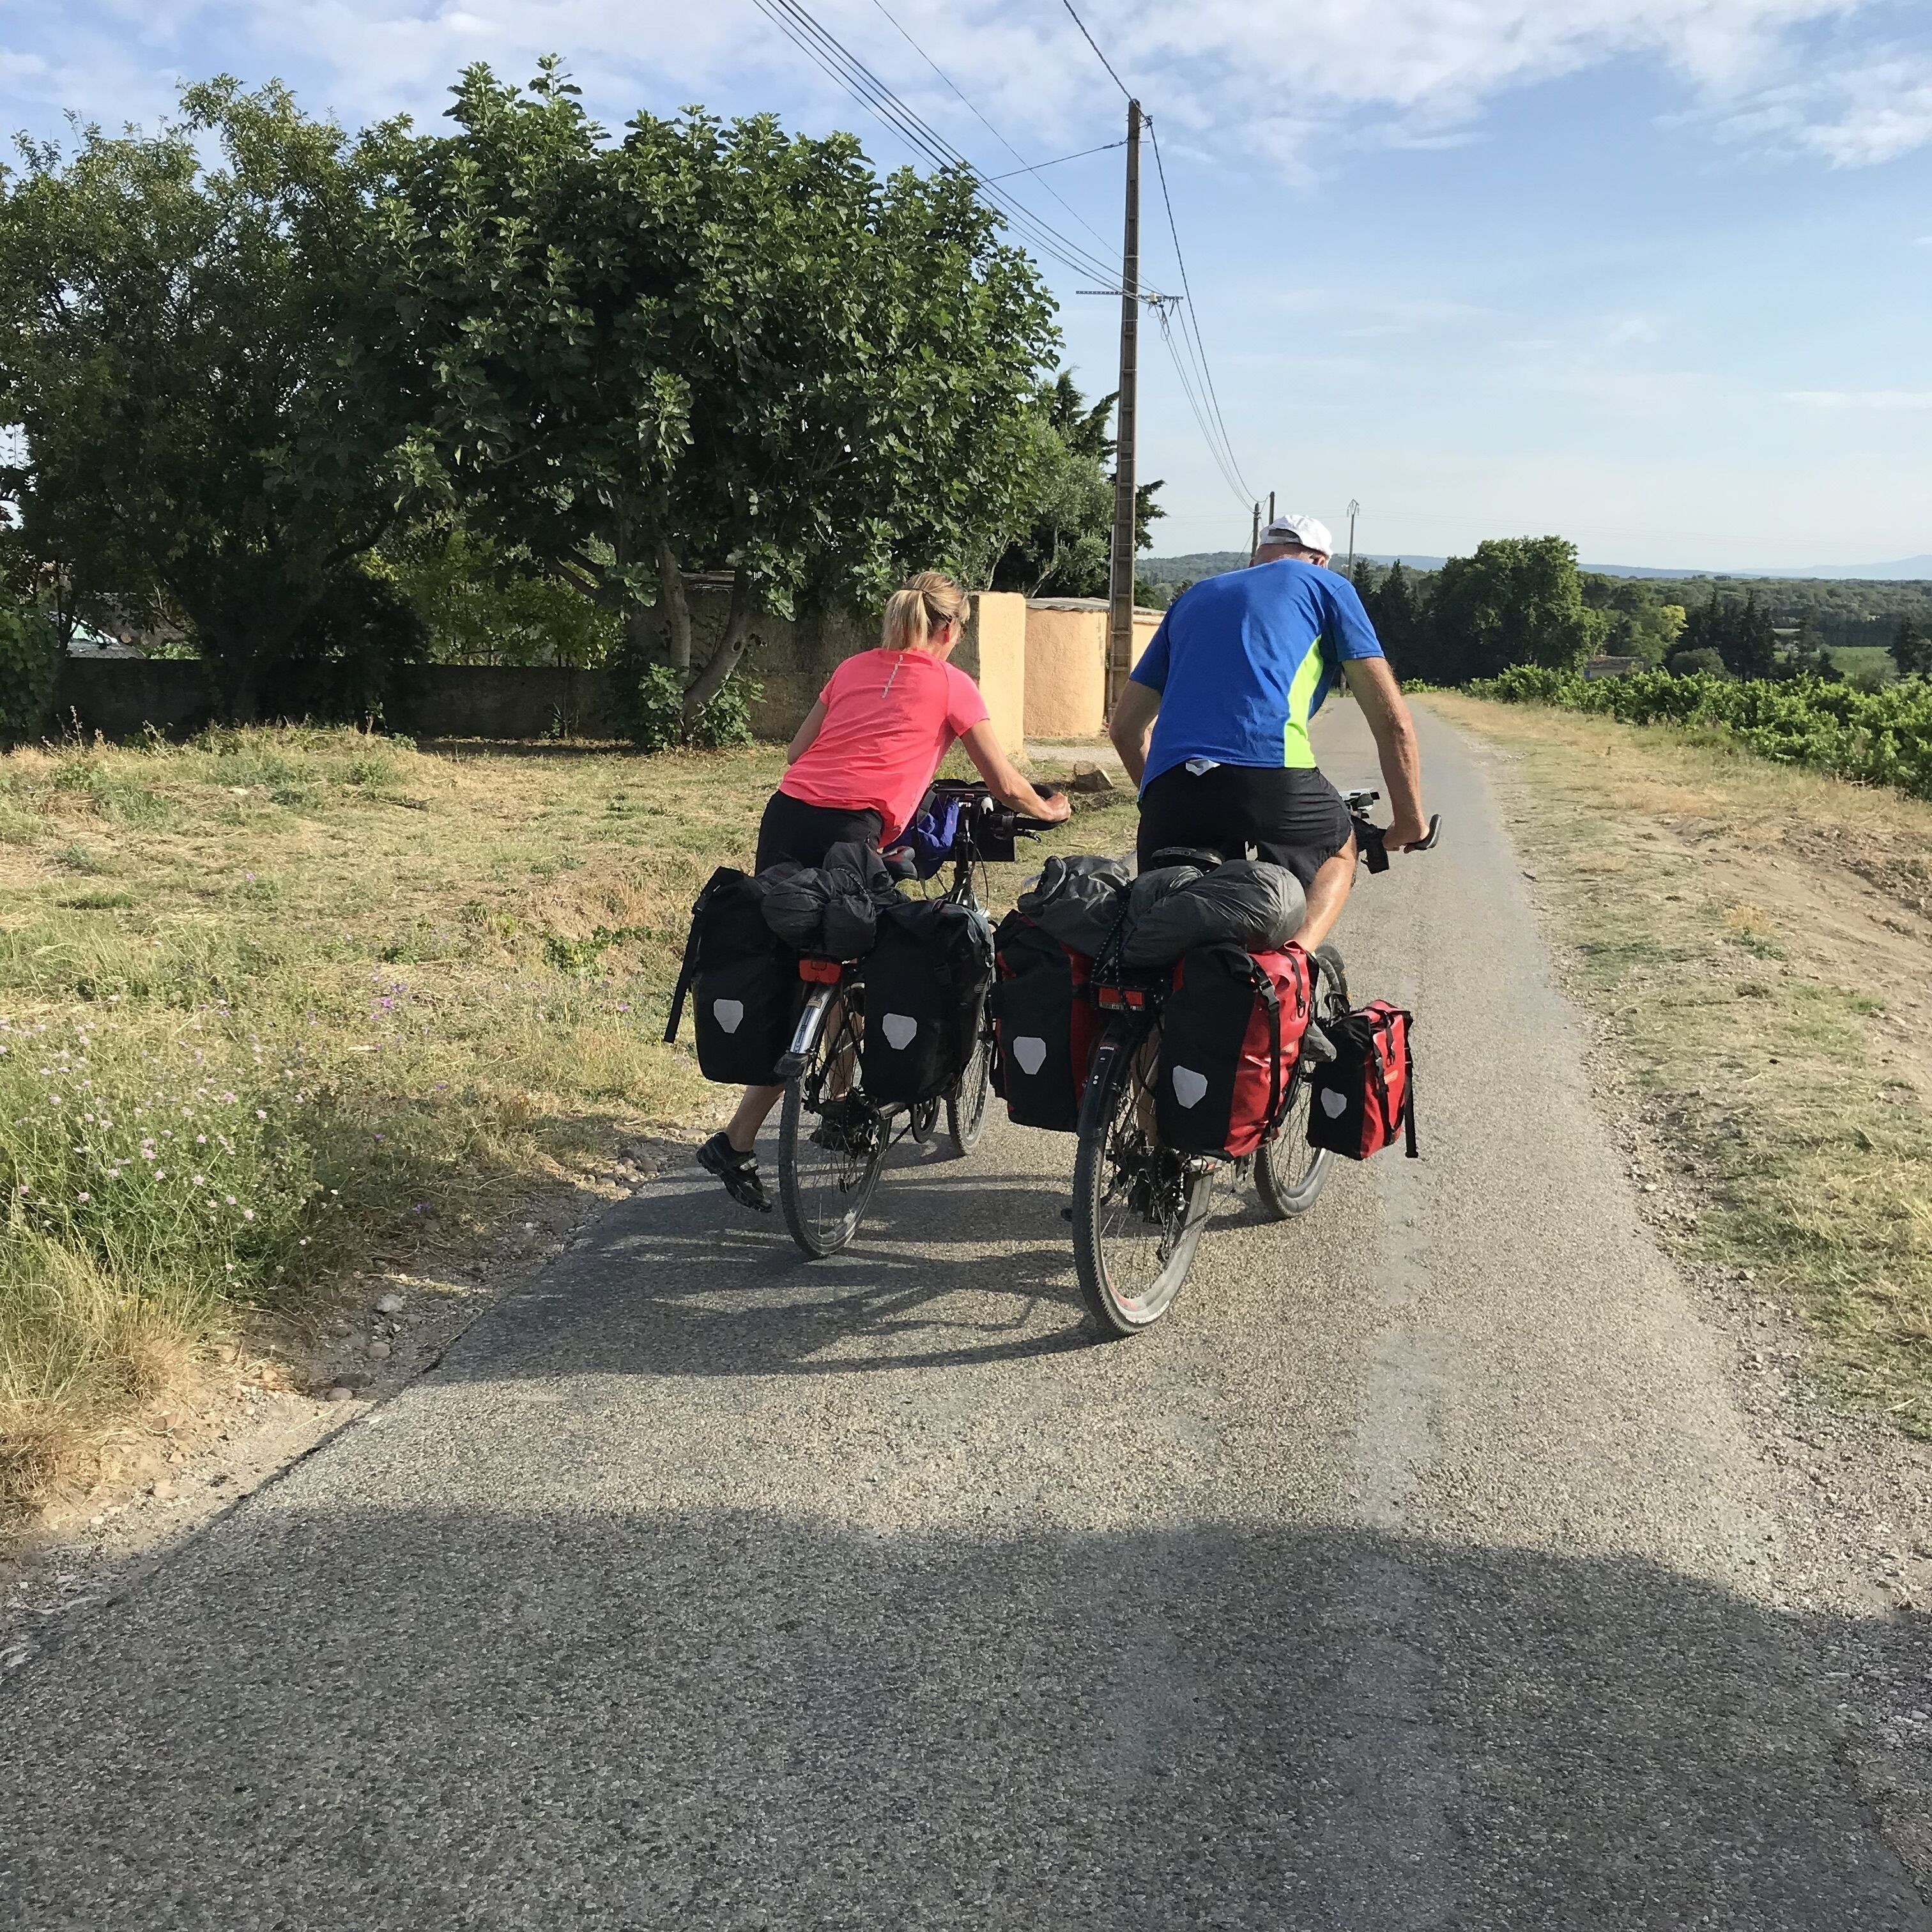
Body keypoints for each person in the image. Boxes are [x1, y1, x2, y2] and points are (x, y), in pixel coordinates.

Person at [699, 571, 1070, 1211]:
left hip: (787, 816)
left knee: (807, 967)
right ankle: (846, 1102)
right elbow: (1006, 786)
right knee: (892, 954)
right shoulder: (954, 684)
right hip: (854, 832)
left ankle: (767, 1128)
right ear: (952, 630)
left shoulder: (850, 669)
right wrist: (1052, 808)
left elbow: (796, 752)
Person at [1106, 512, 1426, 953]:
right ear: (1319, 560)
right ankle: (1290, 967)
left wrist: (1165, 799)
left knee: (1163, 946)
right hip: (1271, 774)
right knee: (1339, 849)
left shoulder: (1195, 596)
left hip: (1171, 787)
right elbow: (1392, 720)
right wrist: (1410, 821)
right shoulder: (1328, 587)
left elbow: (1124, 730)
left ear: (1260, 555)